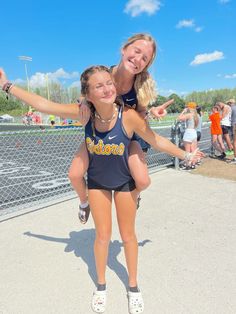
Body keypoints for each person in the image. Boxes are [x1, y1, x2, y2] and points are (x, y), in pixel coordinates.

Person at [0, 66, 203, 314]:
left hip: (125, 183)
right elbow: (44, 105)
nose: (107, 88)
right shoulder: (84, 113)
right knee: (102, 237)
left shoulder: (127, 116)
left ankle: (133, 287)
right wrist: (6, 85)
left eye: (109, 82)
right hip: (97, 183)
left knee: (128, 236)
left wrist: (186, 154)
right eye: (99, 86)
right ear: (88, 93)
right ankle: (101, 285)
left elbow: (155, 139)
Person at [68, 33, 174, 223]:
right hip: (101, 133)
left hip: (131, 137)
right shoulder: (104, 74)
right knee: (74, 174)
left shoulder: (140, 85)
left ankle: (135, 193)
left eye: (145, 58)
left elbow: (141, 115)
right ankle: (85, 203)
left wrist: (151, 112)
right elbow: (87, 93)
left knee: (142, 181)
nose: (138, 59)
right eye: (137, 51)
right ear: (124, 49)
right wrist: (83, 101)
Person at [177, 102, 199, 170]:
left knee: (187, 151)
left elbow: (179, 118)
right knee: (193, 151)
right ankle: (193, 164)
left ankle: (187, 165)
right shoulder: (196, 115)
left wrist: (183, 111)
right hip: (194, 132)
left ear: (189, 107)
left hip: (188, 132)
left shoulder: (189, 114)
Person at [226, 99, 236, 163]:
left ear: (230, 103)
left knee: (234, 142)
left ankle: (235, 157)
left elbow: (228, 118)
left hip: (234, 125)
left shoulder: (230, 109)